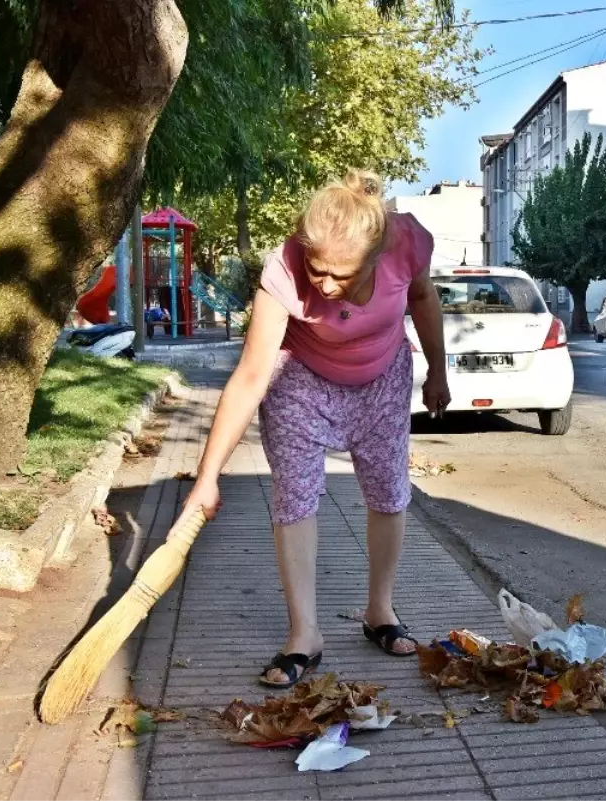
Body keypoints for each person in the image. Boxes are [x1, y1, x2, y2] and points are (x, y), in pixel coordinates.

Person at [181, 170, 450, 688]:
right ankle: (304, 634)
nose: (325, 285)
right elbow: (251, 375)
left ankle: (380, 610)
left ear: (374, 255)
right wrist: (207, 476)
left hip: (382, 376)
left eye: (340, 276)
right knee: (296, 496)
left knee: (390, 493)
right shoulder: (284, 267)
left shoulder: (407, 243)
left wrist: (438, 369)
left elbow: (423, 300)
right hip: (301, 380)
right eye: (317, 269)